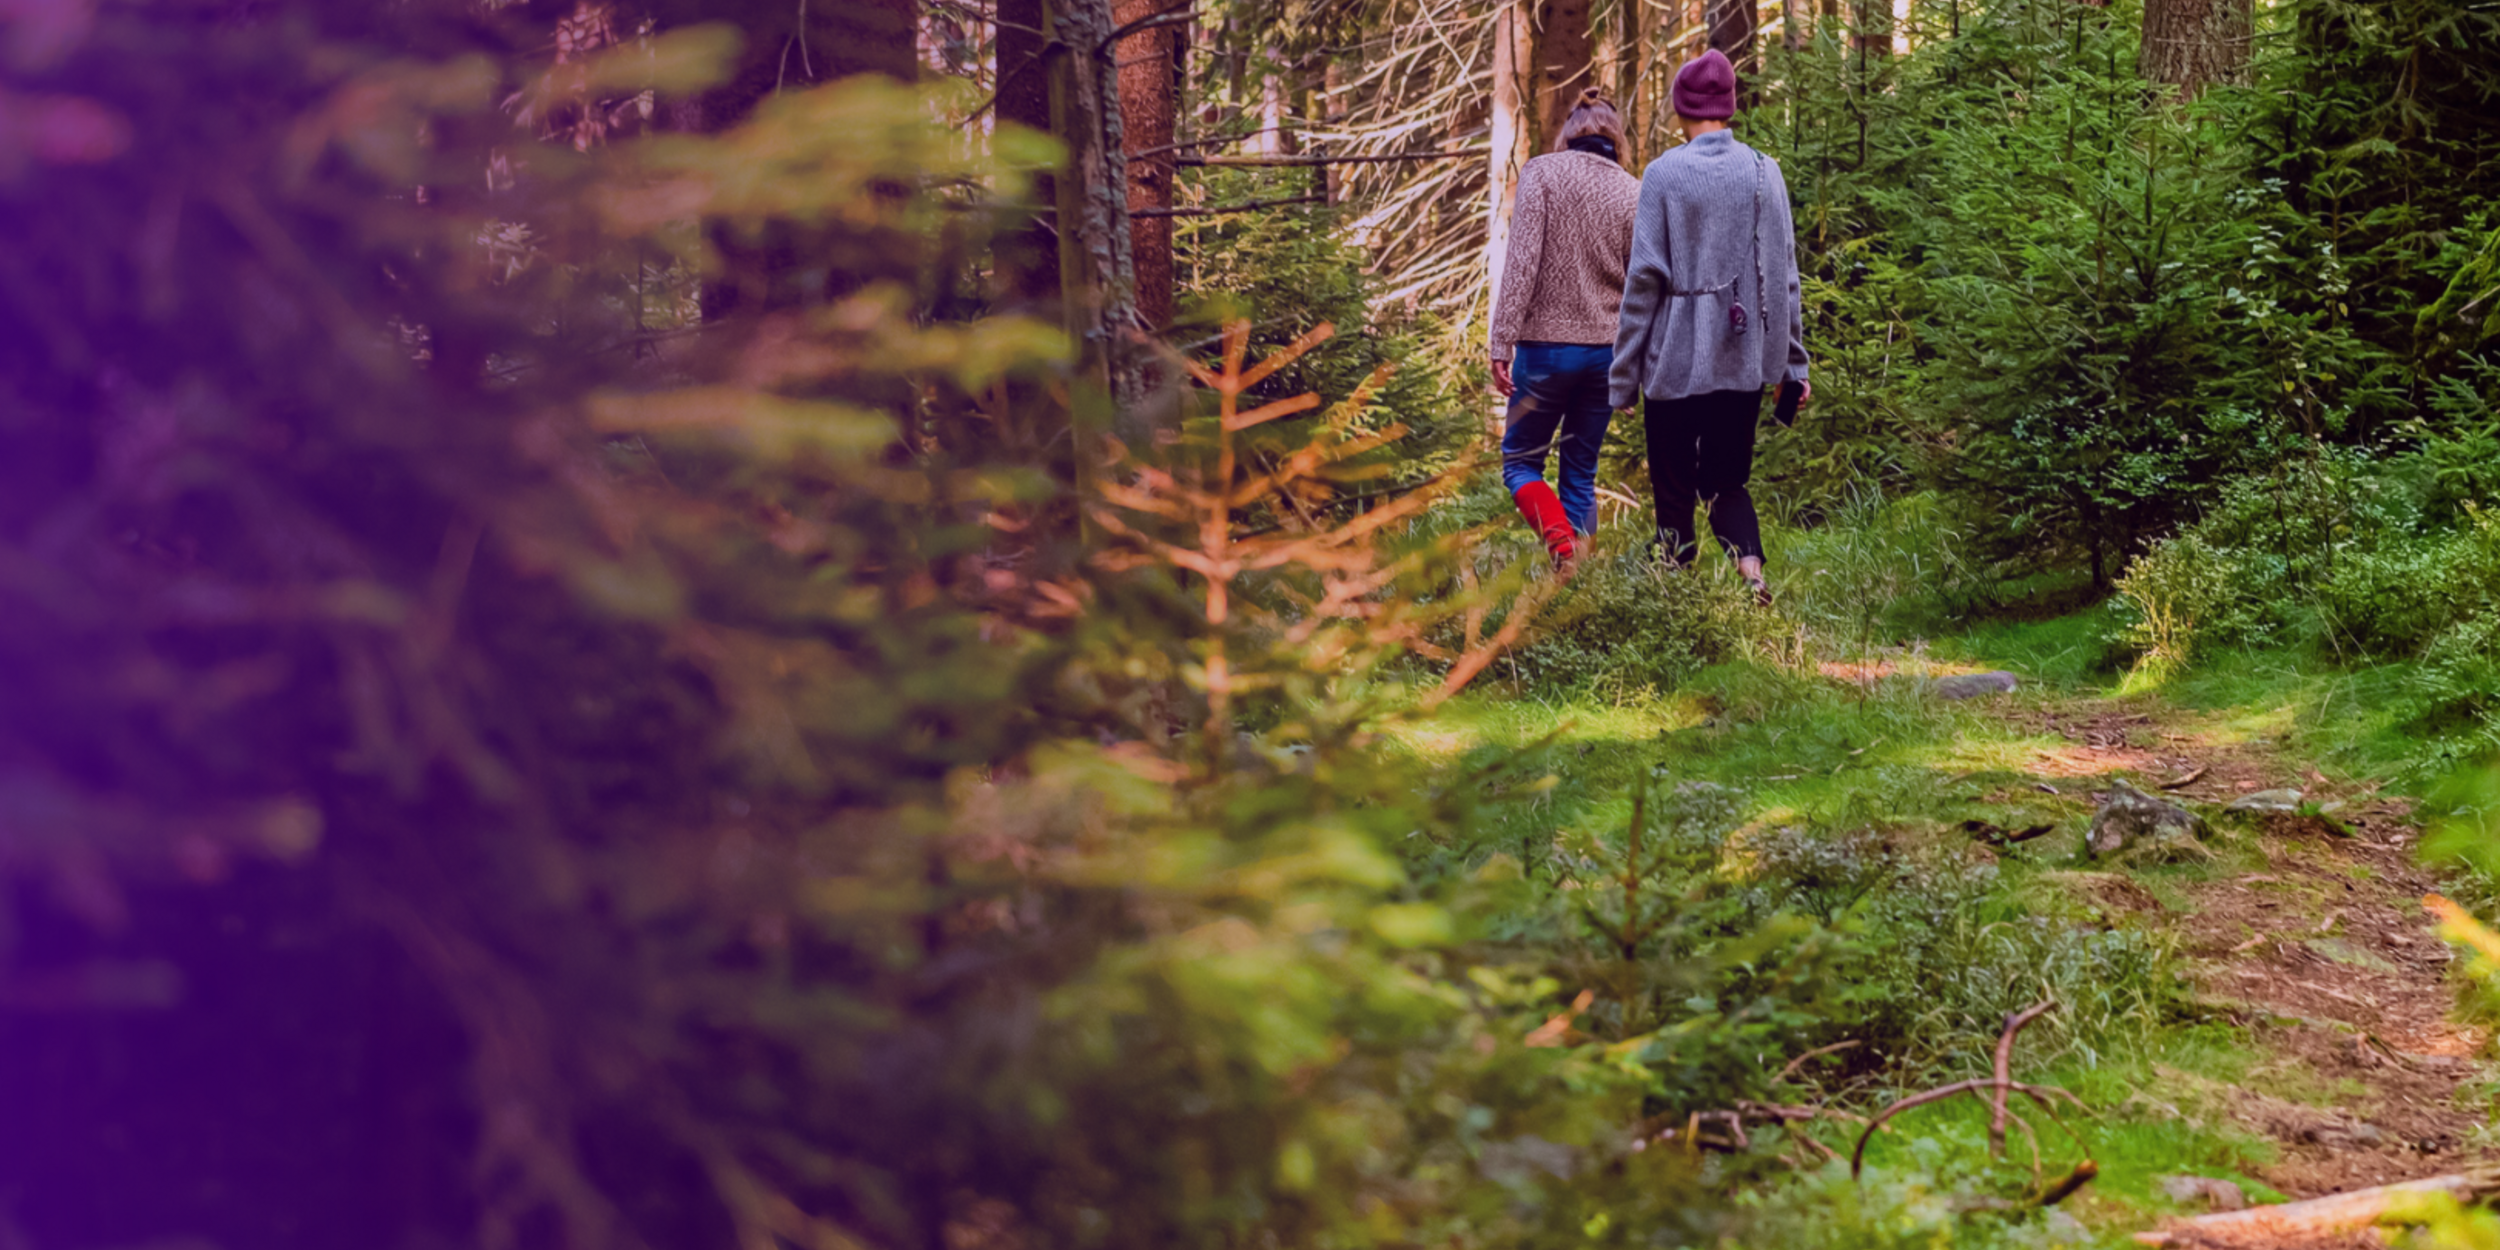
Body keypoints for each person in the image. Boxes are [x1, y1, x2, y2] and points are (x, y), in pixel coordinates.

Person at [1607, 48, 1809, 606]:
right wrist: (1792, 364)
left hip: (1672, 364)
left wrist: (1623, 378)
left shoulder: (1664, 175)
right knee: (1727, 483)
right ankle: (1751, 575)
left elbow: (1643, 280)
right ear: (1730, 107)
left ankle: (1674, 601)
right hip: (1742, 362)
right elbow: (1783, 274)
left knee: (1673, 490)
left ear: (1681, 109)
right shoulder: (1765, 172)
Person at [1488, 87, 1643, 567]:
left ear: (1569, 132)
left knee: (1519, 463)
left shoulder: (1541, 173)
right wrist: (1635, 367)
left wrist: (1501, 340)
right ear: (1616, 138)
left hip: (1545, 352)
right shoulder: (1633, 189)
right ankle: (1575, 581)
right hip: (1606, 356)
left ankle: (1561, 547)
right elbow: (1642, 284)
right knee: (1580, 473)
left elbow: (1521, 262)